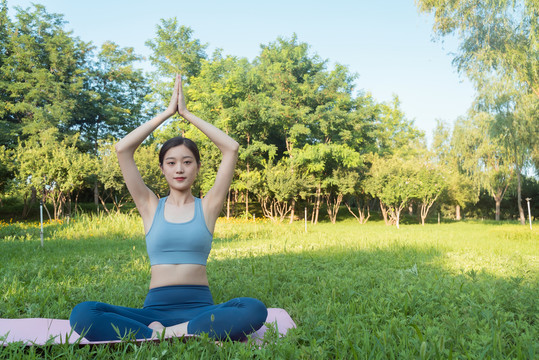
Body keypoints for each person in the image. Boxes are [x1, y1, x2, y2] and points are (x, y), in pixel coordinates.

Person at [69, 74, 267, 342]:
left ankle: (159, 336)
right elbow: (122, 149)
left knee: (254, 309)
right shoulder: (149, 205)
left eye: (187, 162)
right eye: (171, 163)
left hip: (201, 311)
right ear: (162, 168)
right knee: (83, 313)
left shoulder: (208, 206)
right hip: (153, 313)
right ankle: (176, 333)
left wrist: (186, 114)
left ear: (197, 167)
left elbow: (231, 148)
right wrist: (166, 113)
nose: (179, 169)